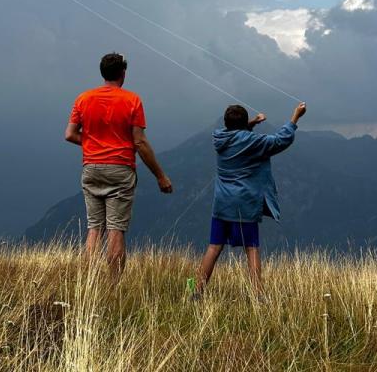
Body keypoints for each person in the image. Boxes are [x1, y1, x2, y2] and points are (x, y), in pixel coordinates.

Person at [65, 53, 174, 277]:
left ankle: (89, 284)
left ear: (102, 72)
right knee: (116, 229)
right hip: (120, 168)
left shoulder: (83, 98)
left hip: (91, 167)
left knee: (94, 228)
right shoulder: (132, 100)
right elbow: (140, 142)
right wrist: (160, 176)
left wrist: (94, 144)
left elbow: (69, 134)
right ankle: (114, 285)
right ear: (123, 73)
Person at [194, 101, 307, 297]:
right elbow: (281, 140)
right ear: (243, 123)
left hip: (221, 203)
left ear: (226, 123)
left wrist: (252, 122)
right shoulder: (254, 142)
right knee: (252, 248)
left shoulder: (219, 139)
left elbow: (236, 135)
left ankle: (197, 292)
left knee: (214, 247)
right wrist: (295, 117)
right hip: (245, 204)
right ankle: (258, 296)